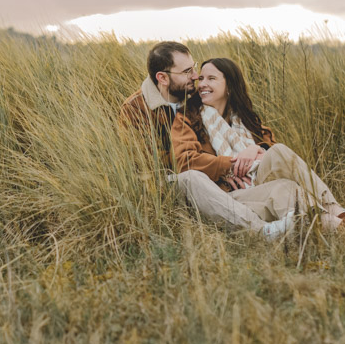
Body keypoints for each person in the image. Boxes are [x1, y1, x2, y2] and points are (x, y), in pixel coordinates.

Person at [172, 57, 345, 236]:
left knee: (279, 152)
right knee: (286, 189)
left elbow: (271, 150)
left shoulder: (244, 119)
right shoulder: (188, 118)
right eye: (201, 78)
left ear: (229, 86)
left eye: (211, 79)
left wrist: (255, 150)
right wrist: (230, 165)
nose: (202, 84)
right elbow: (185, 160)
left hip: (256, 182)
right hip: (230, 193)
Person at [120, 42, 296, 239]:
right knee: (192, 178)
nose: (196, 77)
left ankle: (323, 218)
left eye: (194, 67)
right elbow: (144, 164)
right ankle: (262, 231)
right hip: (175, 185)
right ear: (162, 78)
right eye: (187, 71)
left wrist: (254, 149)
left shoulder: (197, 96)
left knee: (281, 164)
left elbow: (252, 129)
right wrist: (221, 167)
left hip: (225, 182)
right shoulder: (136, 109)